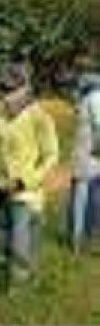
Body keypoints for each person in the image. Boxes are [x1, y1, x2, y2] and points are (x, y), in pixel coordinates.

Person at [0, 63, 59, 287]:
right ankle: (5, 284)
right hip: (3, 191)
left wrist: (25, 182)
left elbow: (51, 155)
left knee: (22, 247)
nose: (5, 96)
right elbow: (5, 155)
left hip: (27, 195)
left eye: (9, 90)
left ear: (23, 89)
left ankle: (20, 292)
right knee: (2, 243)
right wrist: (0, 181)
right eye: (2, 90)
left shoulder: (38, 117)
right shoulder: (2, 119)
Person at [69, 73, 100, 253]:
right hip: (90, 155)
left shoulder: (89, 98)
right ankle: (82, 239)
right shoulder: (94, 98)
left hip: (86, 155)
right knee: (86, 196)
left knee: (81, 196)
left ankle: (79, 239)